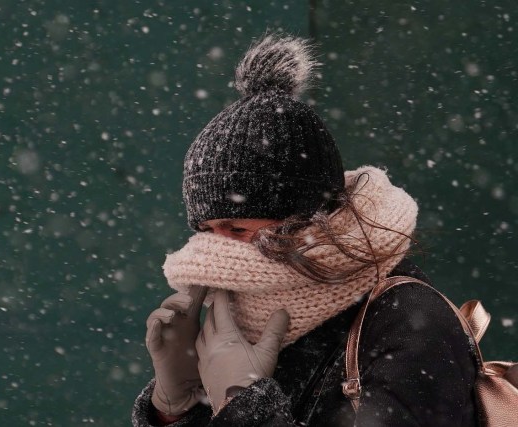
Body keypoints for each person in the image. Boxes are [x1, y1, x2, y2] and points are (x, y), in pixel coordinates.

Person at [132, 34, 478, 426]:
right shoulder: (246, 320)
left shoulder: (410, 324)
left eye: (237, 227)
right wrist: (174, 407)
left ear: (305, 218)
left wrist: (244, 405)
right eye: (206, 230)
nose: (214, 253)